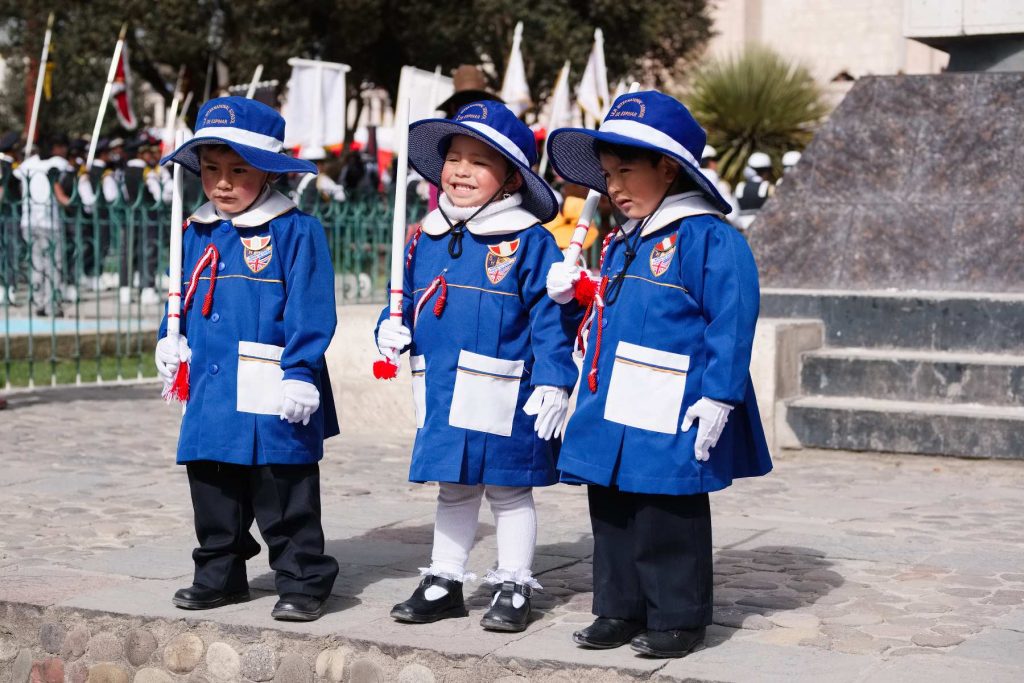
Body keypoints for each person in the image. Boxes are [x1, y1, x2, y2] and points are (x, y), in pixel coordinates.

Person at [545, 91, 772, 658]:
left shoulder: (710, 237)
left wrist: (719, 395)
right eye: (607, 174)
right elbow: (604, 314)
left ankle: (678, 616)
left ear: (668, 168)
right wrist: (573, 297)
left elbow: (732, 319)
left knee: (667, 509)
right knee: (613, 503)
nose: (613, 187)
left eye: (626, 171)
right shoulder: (623, 240)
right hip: (613, 395)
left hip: (675, 400)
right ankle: (619, 608)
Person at [375, 101, 578, 632]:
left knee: (509, 489)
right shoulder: (424, 237)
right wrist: (388, 329)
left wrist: (557, 379)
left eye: (479, 161)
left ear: (510, 177)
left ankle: (513, 582)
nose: (461, 171)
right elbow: (403, 297)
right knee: (454, 485)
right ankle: (444, 578)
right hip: (442, 387)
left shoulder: (531, 243)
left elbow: (549, 320)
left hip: (508, 390)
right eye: (454, 157)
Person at [154, 96, 340, 622]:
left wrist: (302, 370)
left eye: (239, 170)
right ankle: (219, 572)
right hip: (212, 386)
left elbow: (311, 307)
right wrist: (170, 340)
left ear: (268, 173)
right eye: (211, 169)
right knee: (212, 485)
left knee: (281, 490)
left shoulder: (294, 230)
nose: (223, 183)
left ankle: (303, 577)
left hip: (274, 383)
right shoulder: (195, 230)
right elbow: (178, 295)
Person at [15, 134, 72, 316]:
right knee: (53, 264)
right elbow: (65, 176)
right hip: (49, 221)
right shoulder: (56, 163)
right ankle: (52, 305)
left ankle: (39, 302)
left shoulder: (27, 164)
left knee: (36, 263)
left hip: (28, 220)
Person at [733, 151, 774, 230]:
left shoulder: (739, 187)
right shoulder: (769, 187)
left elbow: (734, 213)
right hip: (763, 229)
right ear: (766, 171)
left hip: (742, 230)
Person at [699, 145, 739, 221]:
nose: (716, 163)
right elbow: (732, 216)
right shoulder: (713, 176)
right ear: (709, 161)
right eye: (715, 159)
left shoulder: (691, 177)